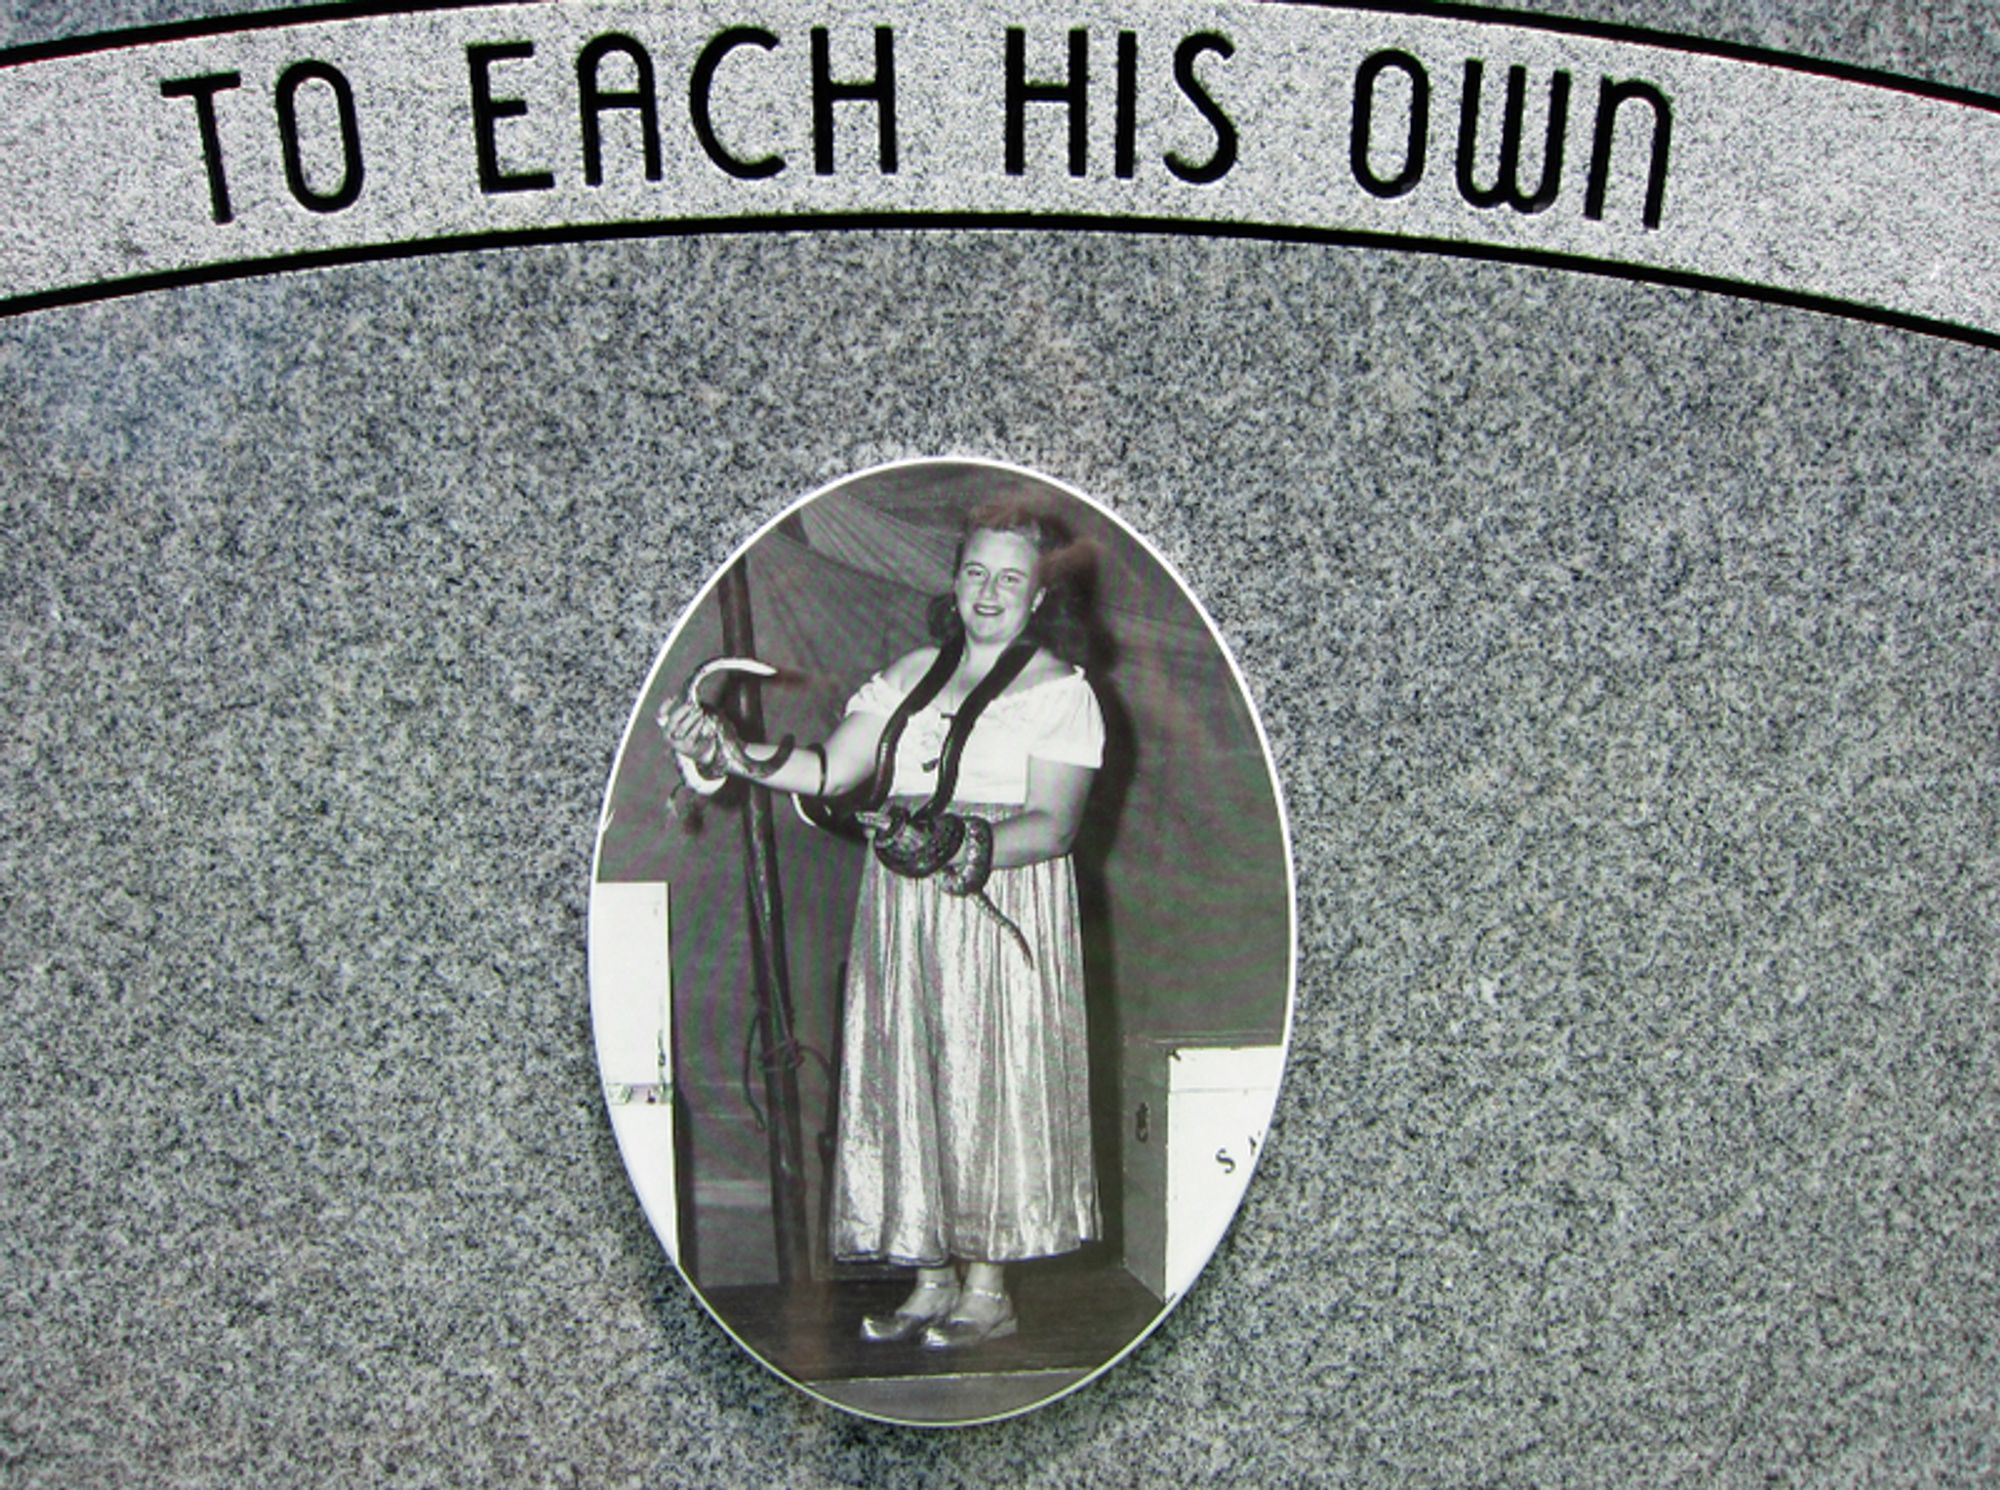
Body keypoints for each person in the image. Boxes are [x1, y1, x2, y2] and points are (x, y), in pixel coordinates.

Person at [659, 500, 1104, 1349]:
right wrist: (727, 751)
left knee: (986, 1078)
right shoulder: (909, 674)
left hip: (998, 905)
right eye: (975, 571)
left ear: (1041, 596)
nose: (988, 592)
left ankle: (989, 1288)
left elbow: (1055, 825)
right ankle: (928, 1278)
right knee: (907, 1070)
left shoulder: (1061, 693)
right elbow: (830, 770)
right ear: (954, 579)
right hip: (903, 907)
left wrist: (951, 840)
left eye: (1011, 578)